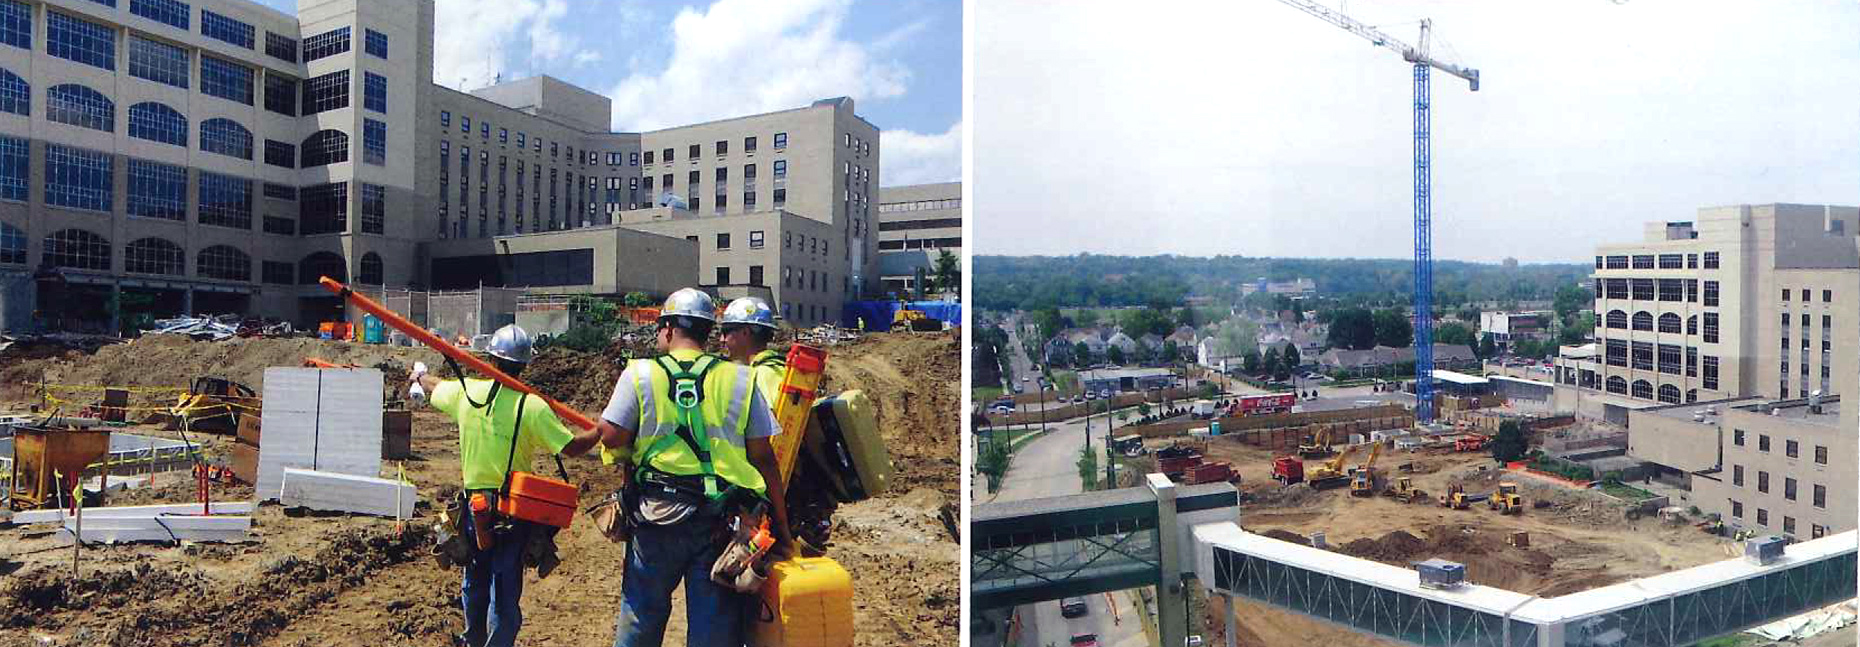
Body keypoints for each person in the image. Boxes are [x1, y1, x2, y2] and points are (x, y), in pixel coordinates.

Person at [594, 288, 794, 647]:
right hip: (719, 522)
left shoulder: (639, 374)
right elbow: (764, 459)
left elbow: (610, 437)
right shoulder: (741, 379)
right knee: (713, 627)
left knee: (641, 614)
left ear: (669, 329)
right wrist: (782, 525)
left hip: (656, 518)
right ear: (706, 331)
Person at [411, 324, 604, 647]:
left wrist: (419, 378)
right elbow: (570, 447)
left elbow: (437, 386)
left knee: (474, 579)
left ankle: (473, 639)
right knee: (505, 587)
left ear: (489, 359)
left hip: (474, 511)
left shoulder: (466, 393)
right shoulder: (532, 406)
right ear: (526, 365)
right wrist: (598, 431)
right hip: (513, 512)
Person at [719, 297, 784, 402]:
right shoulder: (773, 368)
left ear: (745, 332)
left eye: (726, 332)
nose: (722, 339)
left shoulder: (763, 375)